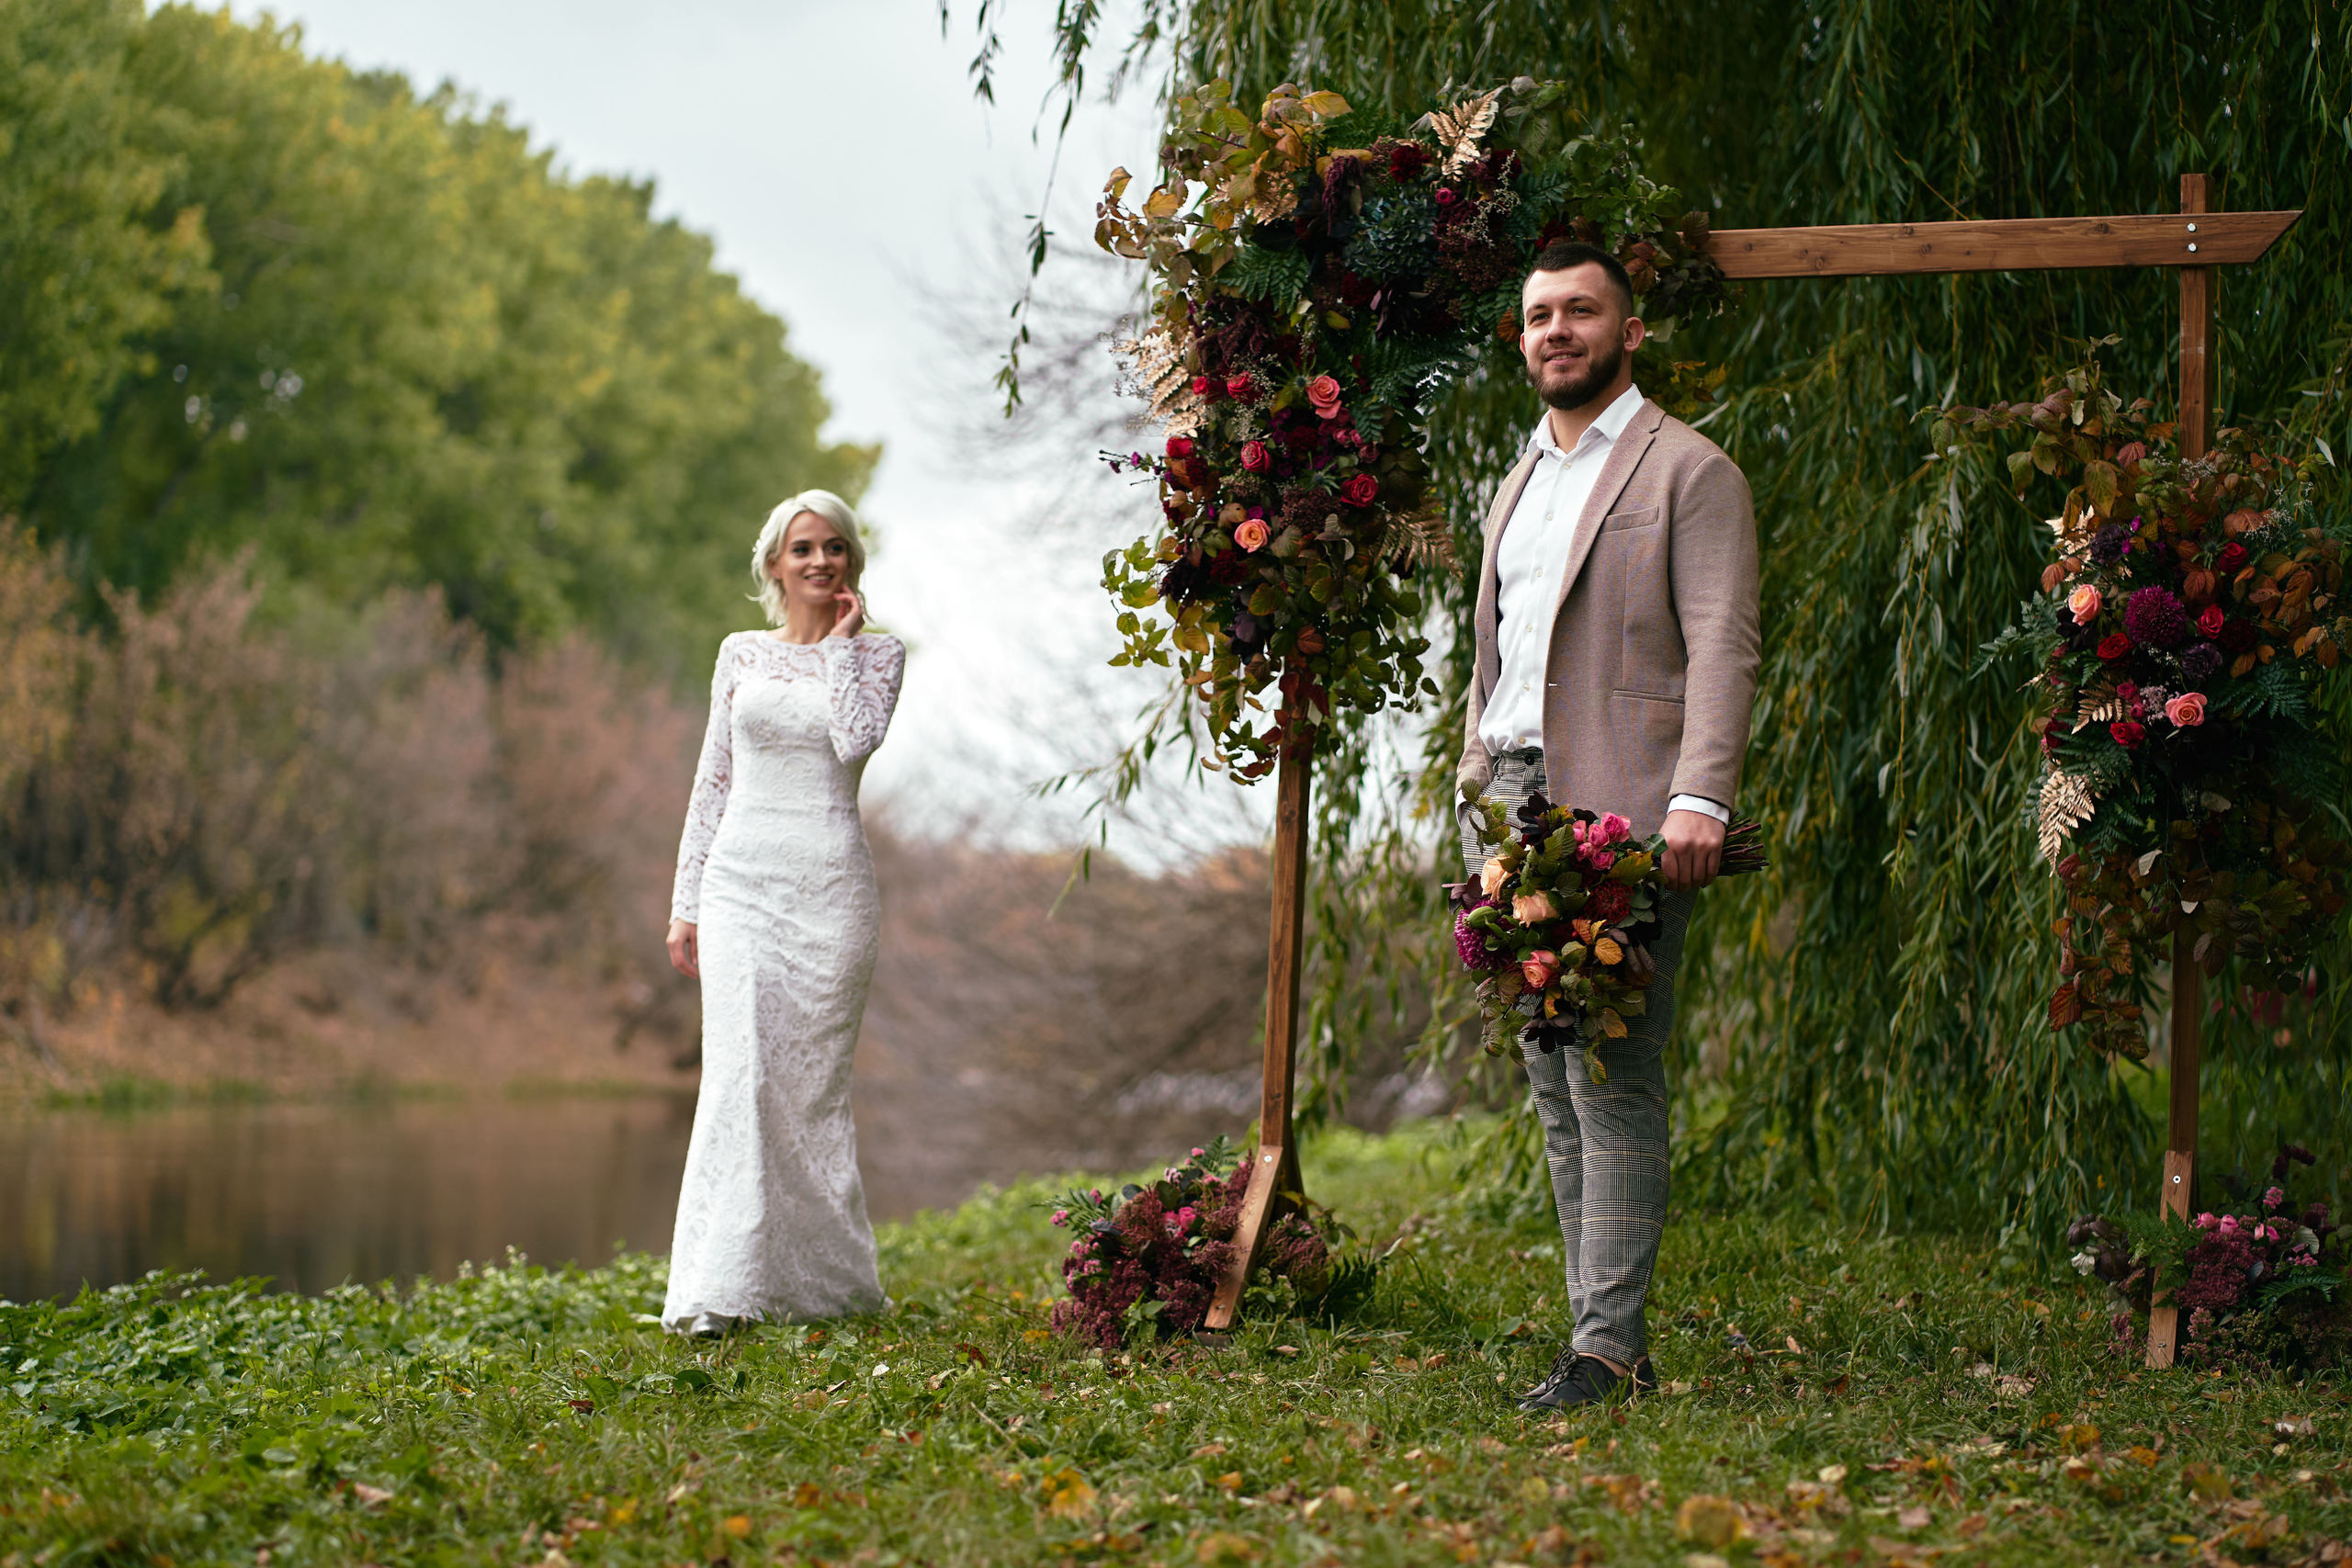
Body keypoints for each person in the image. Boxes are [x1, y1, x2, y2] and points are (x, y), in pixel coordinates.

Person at [1456, 241, 1761, 1410]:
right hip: (1506, 806)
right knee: (1548, 1074)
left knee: (1614, 1078)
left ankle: (1607, 1353)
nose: (1555, 331)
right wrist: (1472, 771)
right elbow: (1501, 651)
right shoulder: (1517, 481)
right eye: (1537, 316)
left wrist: (1700, 797)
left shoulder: (1689, 471)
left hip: (1623, 805)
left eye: (1580, 312)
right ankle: (1594, 1336)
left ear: (1628, 332)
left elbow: (1722, 639)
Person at [661, 490, 904, 1334]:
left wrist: (838, 649)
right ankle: (718, 1291)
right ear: (774, 563)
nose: (819, 561)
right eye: (802, 549)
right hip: (739, 884)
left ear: (851, 563)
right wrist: (686, 900)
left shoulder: (878, 655)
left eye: (834, 547)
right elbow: (712, 779)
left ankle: (823, 1285)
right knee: (739, 1074)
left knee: (809, 1091)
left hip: (832, 890)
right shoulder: (739, 654)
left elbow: (856, 740)